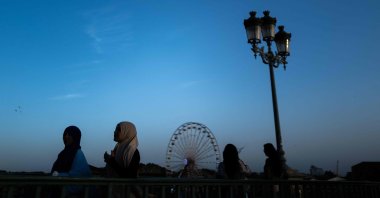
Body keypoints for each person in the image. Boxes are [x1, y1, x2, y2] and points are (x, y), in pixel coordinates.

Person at [51, 125, 92, 197]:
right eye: (65, 134)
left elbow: (78, 178)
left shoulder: (78, 154)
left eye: (69, 134)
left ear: (76, 137)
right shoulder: (63, 153)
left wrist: (58, 176)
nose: (66, 137)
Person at [104, 121, 141, 198]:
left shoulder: (132, 152)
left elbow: (130, 176)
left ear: (127, 132)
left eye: (118, 130)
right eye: (115, 129)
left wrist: (111, 161)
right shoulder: (118, 148)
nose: (115, 132)